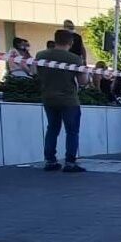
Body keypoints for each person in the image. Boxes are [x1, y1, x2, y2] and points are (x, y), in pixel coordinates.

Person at [37, 29, 88, 172]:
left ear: (55, 39)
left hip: (48, 97)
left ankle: (50, 160)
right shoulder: (74, 59)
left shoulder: (41, 55)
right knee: (72, 131)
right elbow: (82, 81)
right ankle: (70, 162)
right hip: (68, 99)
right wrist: (85, 70)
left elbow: (35, 73)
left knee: (52, 129)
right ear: (71, 42)